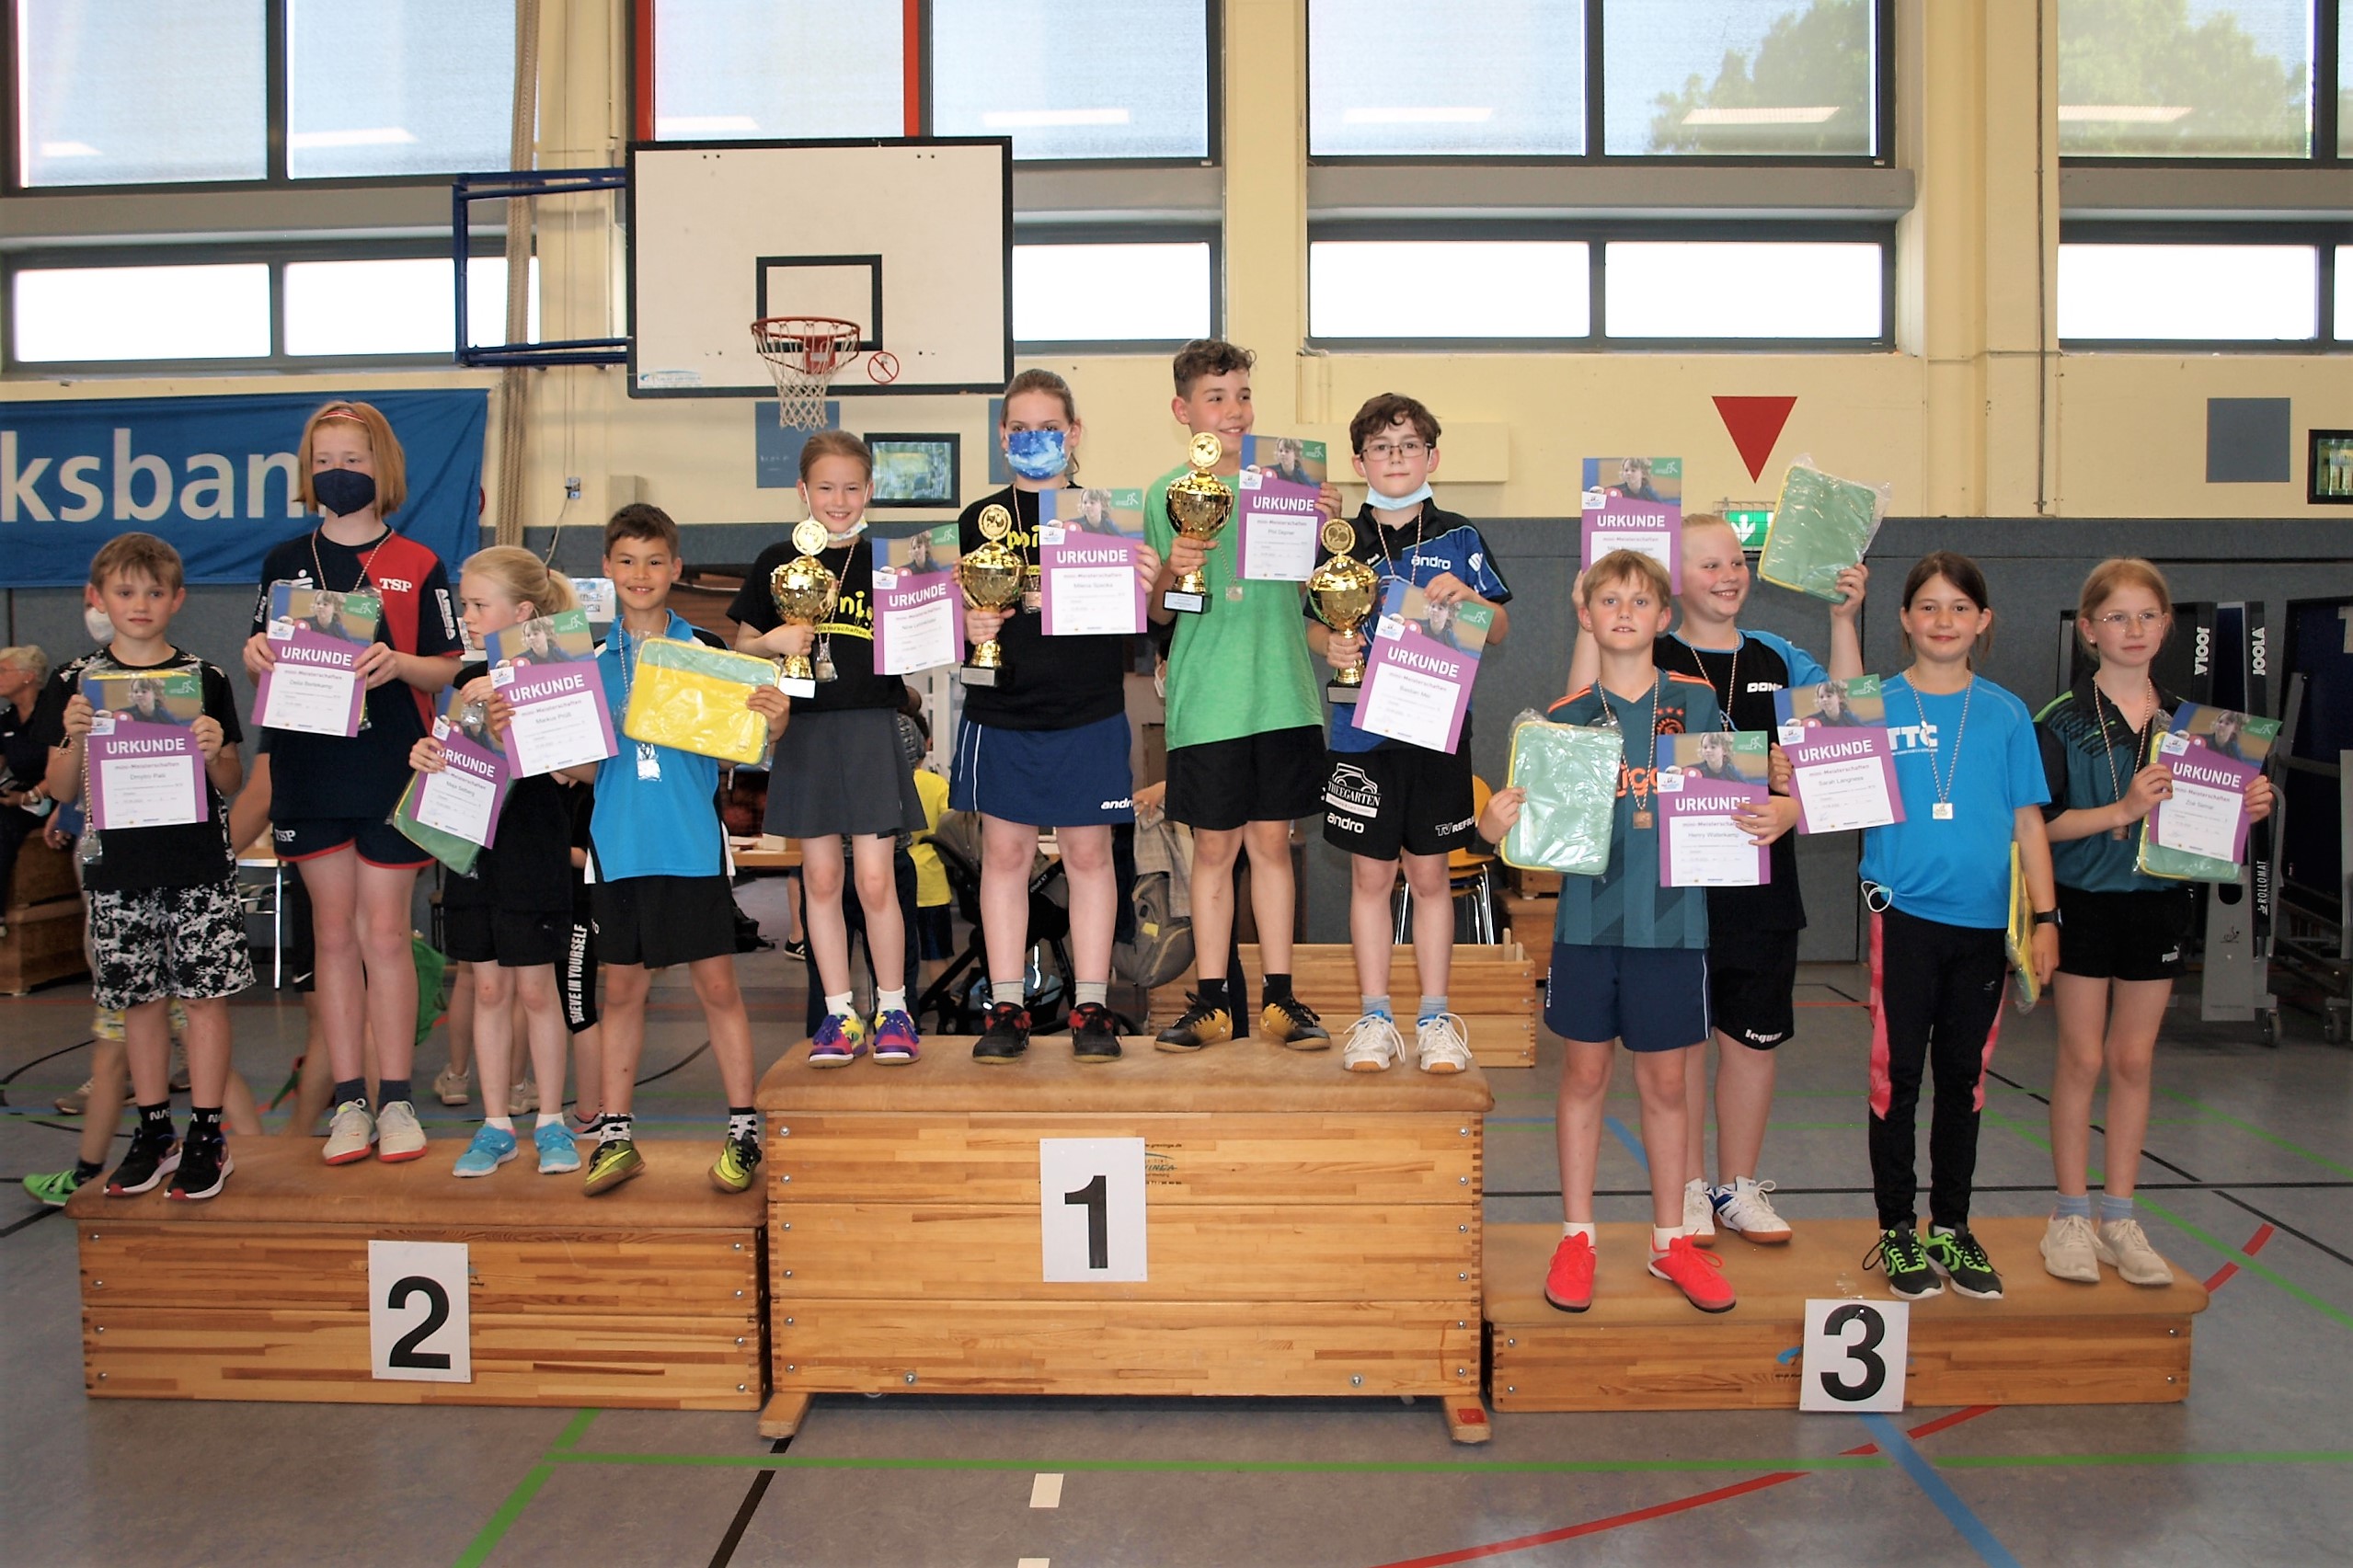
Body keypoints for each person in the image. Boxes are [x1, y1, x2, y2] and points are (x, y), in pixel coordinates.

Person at [1566, 512, 1862, 1246]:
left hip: (1759, 878)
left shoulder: (1778, 654)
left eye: (1738, 561)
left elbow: (1848, 746)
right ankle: (1689, 1191)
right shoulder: (1647, 646)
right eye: (1710, 563)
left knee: (1752, 1040)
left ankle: (1739, 1185)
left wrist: (1843, 622)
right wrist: (1585, 611)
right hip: (1667, 889)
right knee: (1681, 1047)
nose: (1729, 575)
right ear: (1672, 585)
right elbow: (1577, 733)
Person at [1476, 550, 1735, 1313]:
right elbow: (1531, 837)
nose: (1624, 611)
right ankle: (1577, 1235)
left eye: (1640, 600)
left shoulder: (1696, 703)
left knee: (1667, 1085)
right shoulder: (1562, 719)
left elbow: (1729, 802)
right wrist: (1495, 828)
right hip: (1588, 926)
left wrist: (1771, 792)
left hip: (1673, 925)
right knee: (1584, 1076)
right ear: (1585, 615)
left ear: (1665, 616)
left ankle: (1670, 1241)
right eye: (1609, 600)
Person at [2035, 559, 2273, 1288]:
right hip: (2084, 902)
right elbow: (2038, 825)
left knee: (2134, 1060)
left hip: (2159, 902)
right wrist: (2122, 810)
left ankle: (2119, 1215)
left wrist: (2247, 805)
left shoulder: (2202, 728)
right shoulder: (2060, 719)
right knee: (2082, 1058)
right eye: (2117, 616)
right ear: (2088, 629)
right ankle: (2069, 1214)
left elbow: (2210, 826)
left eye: (2147, 616)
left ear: (2167, 627)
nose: (2133, 629)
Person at [243, 400, 464, 1165]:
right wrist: (255, 656)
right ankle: (349, 1102)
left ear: (383, 467)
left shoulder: (418, 562)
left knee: (385, 933)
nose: (339, 472)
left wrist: (398, 663)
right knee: (332, 935)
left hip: (391, 767)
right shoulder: (283, 561)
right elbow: (263, 646)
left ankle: (397, 1097)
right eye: (325, 461)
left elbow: (446, 666)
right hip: (309, 767)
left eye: (353, 460)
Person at [1857, 552, 2059, 1301]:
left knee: (1964, 1078)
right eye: (1929, 606)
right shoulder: (1875, 706)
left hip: (1983, 930)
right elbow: (1829, 785)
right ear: (1905, 618)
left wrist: (2047, 916)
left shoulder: (2006, 713)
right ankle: (1896, 1228)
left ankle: (1951, 1225)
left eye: (1959, 608)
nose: (1944, 621)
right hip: (1904, 919)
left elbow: (2028, 823)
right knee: (1898, 1077)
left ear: (1983, 621)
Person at [574, 504, 786, 1194]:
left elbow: (742, 749)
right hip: (618, 847)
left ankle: (743, 1130)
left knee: (718, 986)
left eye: (654, 560)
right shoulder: (587, 663)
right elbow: (581, 769)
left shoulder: (708, 653)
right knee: (622, 990)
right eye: (627, 560)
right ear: (607, 568)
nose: (640, 573)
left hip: (691, 844)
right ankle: (615, 1136)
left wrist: (774, 724)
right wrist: (524, 732)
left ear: (676, 567)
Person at [37, 533, 254, 1200]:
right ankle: (155, 1130)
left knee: (205, 999)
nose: (140, 604)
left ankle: (208, 1134)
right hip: (119, 868)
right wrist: (74, 736)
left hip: (196, 864)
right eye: (125, 591)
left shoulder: (204, 678)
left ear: (177, 599)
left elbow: (231, 781)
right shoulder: (75, 681)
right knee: (138, 1002)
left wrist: (214, 750)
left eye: (154, 592)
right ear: (97, 598)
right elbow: (62, 788)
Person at [954, 370, 1160, 1062]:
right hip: (1002, 711)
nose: (1033, 438)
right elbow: (948, 623)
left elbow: (1145, 618)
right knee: (1005, 857)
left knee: (1089, 856)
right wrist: (966, 621)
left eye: (1048, 427)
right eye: (1020, 428)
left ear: (1073, 434)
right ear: (1002, 436)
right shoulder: (976, 521)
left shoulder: (1108, 517)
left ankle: (1092, 1007)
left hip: (1088, 711)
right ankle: (1006, 1005)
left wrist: (1146, 583)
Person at [1145, 338, 1336, 1053]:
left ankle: (1281, 1000)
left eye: (1243, 395)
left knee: (1274, 846)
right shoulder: (1165, 493)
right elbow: (1162, 614)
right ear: (1183, 410)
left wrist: (1326, 525)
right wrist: (1173, 568)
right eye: (1216, 397)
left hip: (1283, 693)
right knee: (1214, 850)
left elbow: (1316, 596)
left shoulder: (1288, 482)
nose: (1234, 410)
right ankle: (1213, 1003)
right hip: (1208, 700)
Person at [1312, 393, 1509, 1074]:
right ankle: (1373, 1018)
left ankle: (1434, 1019)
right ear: (1359, 460)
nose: (1394, 457)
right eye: (1380, 447)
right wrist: (1331, 645)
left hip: (1437, 729)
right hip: (1360, 734)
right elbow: (1311, 625)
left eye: (1408, 446)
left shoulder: (1459, 535)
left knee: (1430, 875)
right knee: (1370, 876)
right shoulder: (1338, 538)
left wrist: (1472, 600)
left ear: (1433, 457)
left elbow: (1500, 627)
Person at [732, 432, 926, 1065]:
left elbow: (928, 635)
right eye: (824, 487)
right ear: (802, 490)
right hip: (806, 732)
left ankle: (894, 1009)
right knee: (820, 878)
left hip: (870, 726)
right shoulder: (774, 561)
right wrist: (774, 641)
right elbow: (741, 646)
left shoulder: (891, 563)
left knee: (875, 879)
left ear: (869, 491)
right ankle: (840, 1015)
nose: (838, 500)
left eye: (850, 487)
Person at [408, 547, 590, 1180]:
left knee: (536, 990)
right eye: (465, 603)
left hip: (533, 850)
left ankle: (550, 1120)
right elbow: (451, 754)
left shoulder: (559, 672)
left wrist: (522, 718)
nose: (467, 615)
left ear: (522, 612)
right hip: (472, 851)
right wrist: (427, 755)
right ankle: (495, 1126)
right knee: (486, 988)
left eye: (478, 604)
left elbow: (584, 770)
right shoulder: (465, 681)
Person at [0, 644, 53, 909]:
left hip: (55, 794)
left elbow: (65, 767)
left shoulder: (53, 712)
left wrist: (26, 798)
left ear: (28, 675)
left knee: (4, 823)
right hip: (19, 791)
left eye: (3, 671)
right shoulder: (6, 720)